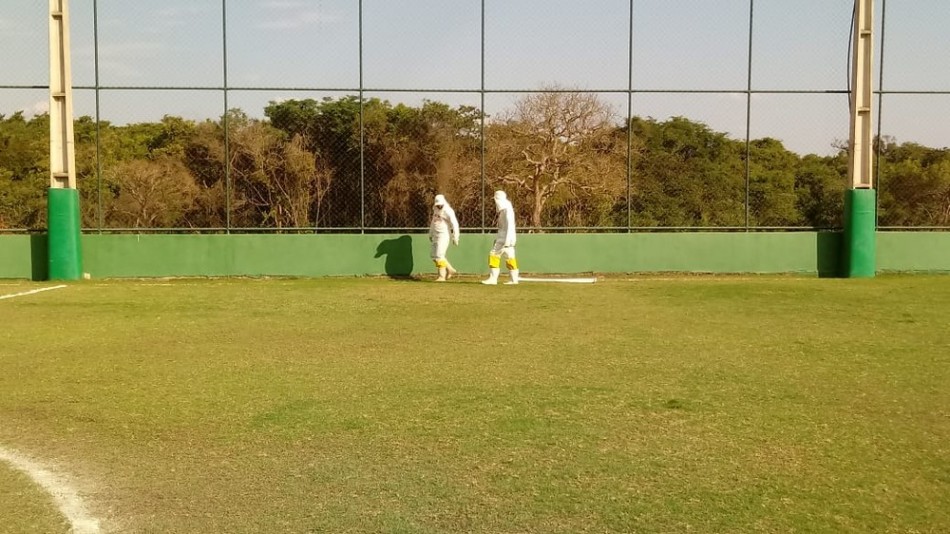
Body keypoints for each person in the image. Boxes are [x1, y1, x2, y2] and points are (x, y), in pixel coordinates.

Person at [482, 190, 519, 285]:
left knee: (494, 254)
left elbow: (510, 225)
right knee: (510, 257)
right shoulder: (506, 208)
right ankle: (514, 279)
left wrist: (507, 240)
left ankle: (493, 278)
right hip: (506, 237)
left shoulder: (506, 209)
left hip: (505, 238)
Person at [429, 194, 460, 281]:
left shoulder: (448, 211)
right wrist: (430, 233)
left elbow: (454, 224)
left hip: (444, 235)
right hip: (435, 235)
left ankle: (442, 276)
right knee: (433, 255)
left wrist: (456, 237)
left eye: (440, 204)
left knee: (439, 255)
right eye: (437, 204)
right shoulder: (435, 209)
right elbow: (433, 222)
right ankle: (450, 269)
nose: (439, 206)